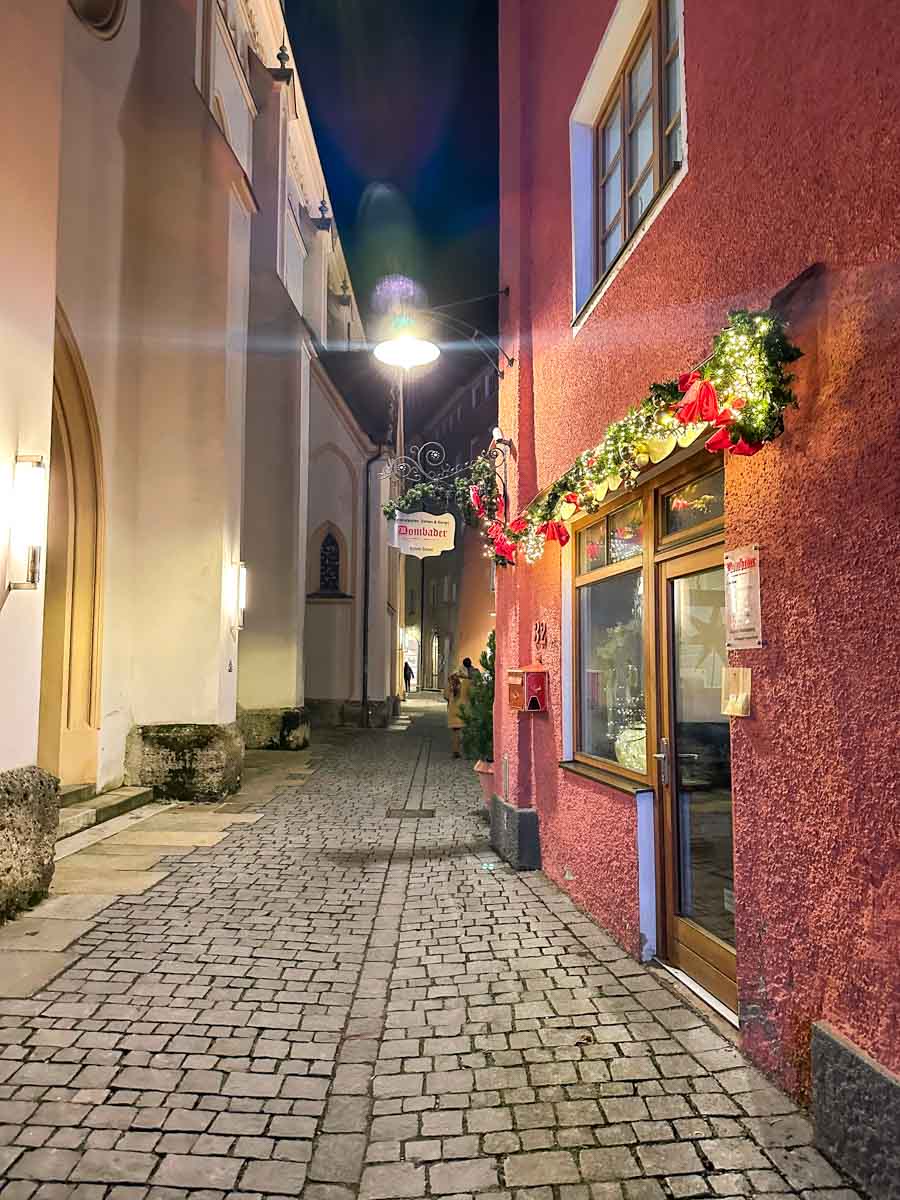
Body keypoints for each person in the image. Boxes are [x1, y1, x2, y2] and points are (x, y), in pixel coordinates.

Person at [444, 657, 474, 757]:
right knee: (467, 731)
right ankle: (467, 751)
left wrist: (451, 701)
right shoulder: (468, 681)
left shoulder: (451, 679)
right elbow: (473, 694)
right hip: (465, 709)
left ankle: (455, 751)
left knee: (456, 731)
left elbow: (446, 695)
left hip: (453, 709)